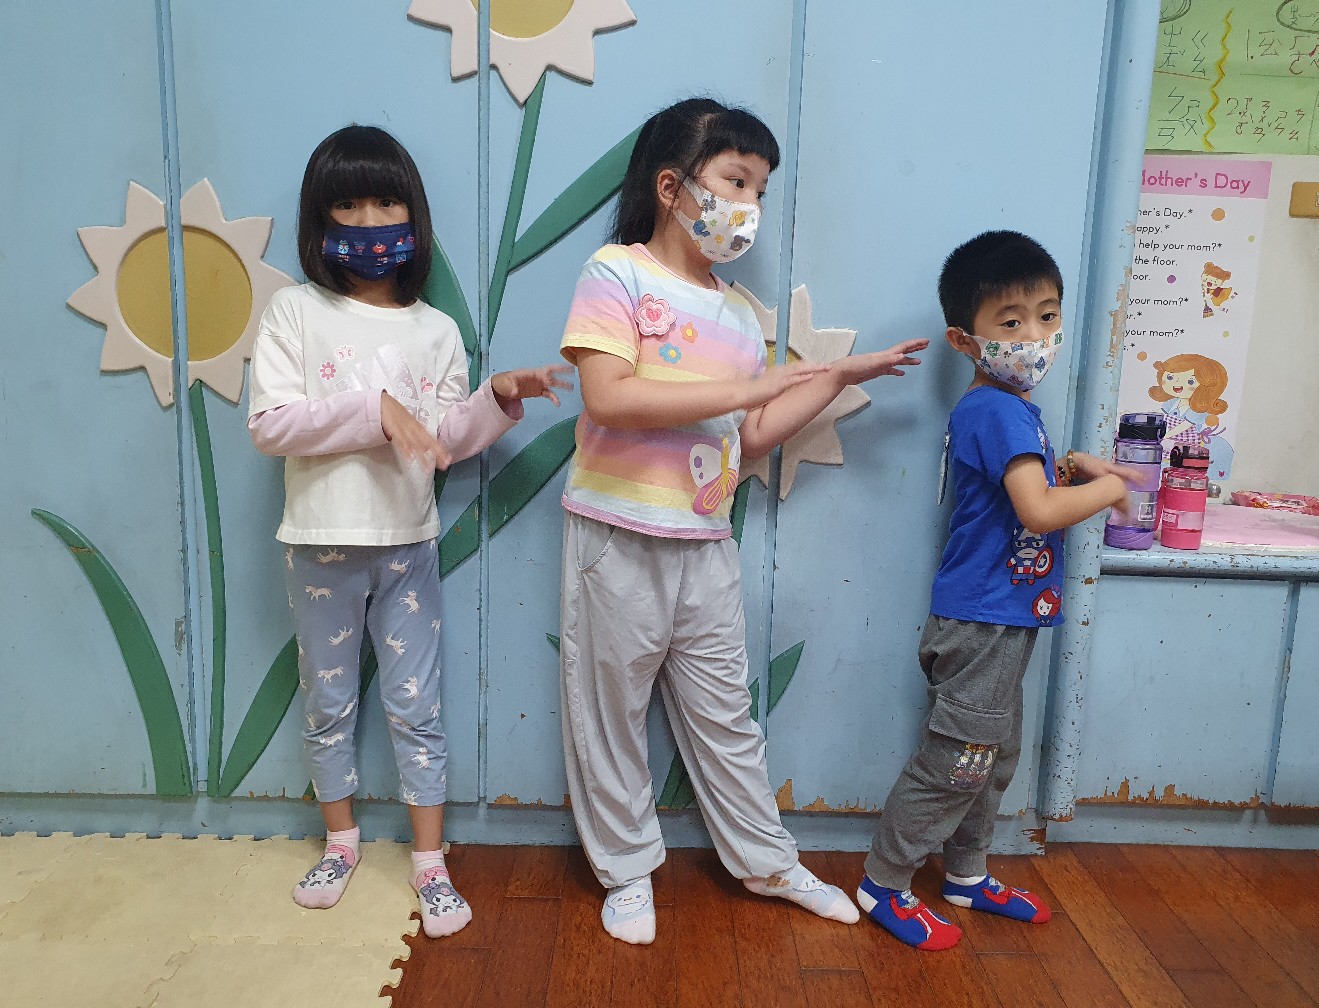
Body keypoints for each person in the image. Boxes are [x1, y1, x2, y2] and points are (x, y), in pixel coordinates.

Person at [557, 97, 929, 945]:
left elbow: (749, 435)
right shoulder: (615, 273)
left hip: (705, 543)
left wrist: (831, 379)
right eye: (735, 181)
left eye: (760, 189)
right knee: (608, 714)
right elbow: (609, 397)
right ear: (672, 187)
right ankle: (626, 870)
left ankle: (766, 861)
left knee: (727, 716)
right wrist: (751, 387)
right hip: (615, 534)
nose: (749, 205)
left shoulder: (736, 314)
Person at [247, 124, 571, 937]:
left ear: (413, 216)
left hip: (407, 544)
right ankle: (341, 843)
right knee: (327, 702)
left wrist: (498, 396)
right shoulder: (294, 310)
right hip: (319, 544)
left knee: (415, 706)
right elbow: (271, 424)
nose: (368, 221)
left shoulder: (435, 331)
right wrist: (374, 410)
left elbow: (445, 442)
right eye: (348, 205)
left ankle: (430, 861)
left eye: (386, 203)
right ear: (320, 219)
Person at [856, 230, 1134, 950]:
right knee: (956, 762)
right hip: (981, 623)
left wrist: (1070, 468)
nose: (1035, 336)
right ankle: (883, 881)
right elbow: (1036, 511)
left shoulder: (1008, 407)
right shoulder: (999, 410)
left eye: (1047, 315)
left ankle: (966, 874)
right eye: (1011, 322)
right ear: (965, 340)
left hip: (1002, 617)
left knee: (992, 756)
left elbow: (1024, 492)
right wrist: (1108, 489)